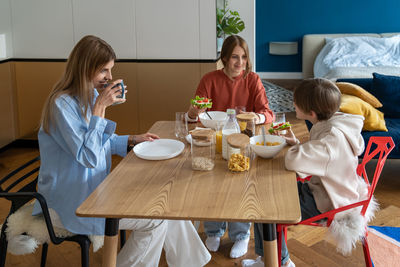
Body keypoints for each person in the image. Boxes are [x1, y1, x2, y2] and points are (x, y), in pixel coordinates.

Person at [32, 35, 211, 267]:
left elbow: (98, 142)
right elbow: (89, 156)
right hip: (73, 202)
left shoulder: (87, 97)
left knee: (165, 206)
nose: (109, 77)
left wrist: (130, 140)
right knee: (155, 220)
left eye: (110, 70)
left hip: (96, 189)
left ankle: (192, 265)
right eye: (104, 71)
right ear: (85, 68)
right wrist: (99, 108)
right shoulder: (62, 105)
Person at [242, 78, 367, 267]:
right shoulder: (335, 124)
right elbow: (323, 160)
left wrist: (294, 149)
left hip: (330, 201)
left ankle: (281, 262)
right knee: (264, 195)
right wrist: (297, 144)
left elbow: (292, 160)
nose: (293, 104)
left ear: (311, 112)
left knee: (266, 210)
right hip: (333, 188)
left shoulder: (331, 140)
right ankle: (266, 257)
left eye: (296, 102)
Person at [187, 35, 274, 259]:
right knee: (211, 183)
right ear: (224, 57)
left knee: (241, 186)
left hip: (243, 140)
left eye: (244, 57)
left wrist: (255, 116)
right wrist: (192, 113)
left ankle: (241, 235)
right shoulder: (209, 79)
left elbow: (268, 114)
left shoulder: (252, 80)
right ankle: (214, 230)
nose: (240, 62)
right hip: (215, 141)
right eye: (235, 57)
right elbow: (195, 114)